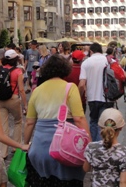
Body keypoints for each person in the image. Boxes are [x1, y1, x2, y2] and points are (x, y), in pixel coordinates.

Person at [23, 55, 90, 186]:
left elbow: (29, 122)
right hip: (64, 148)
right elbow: (79, 119)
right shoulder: (70, 88)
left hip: (39, 148)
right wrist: (89, 143)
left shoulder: (37, 91)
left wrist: (25, 144)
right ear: (65, 69)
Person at [83, 108, 126, 187]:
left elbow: (86, 169)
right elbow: (124, 183)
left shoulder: (91, 147)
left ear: (100, 126)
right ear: (121, 128)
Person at [0, 49, 27, 159]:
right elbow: (21, 90)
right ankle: (15, 147)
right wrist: (25, 105)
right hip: (13, 99)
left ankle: (3, 152)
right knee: (18, 121)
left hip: (0, 100)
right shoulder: (18, 71)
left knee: (3, 126)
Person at [79, 42, 112, 142]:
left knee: (93, 122)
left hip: (92, 97)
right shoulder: (109, 60)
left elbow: (81, 84)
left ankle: (94, 146)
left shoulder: (86, 62)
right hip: (107, 97)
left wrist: (80, 97)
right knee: (104, 123)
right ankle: (103, 145)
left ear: (91, 51)